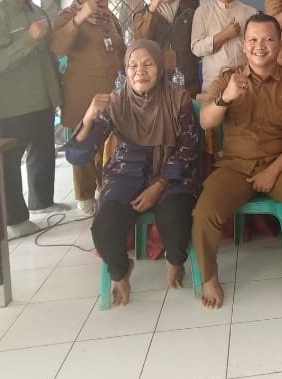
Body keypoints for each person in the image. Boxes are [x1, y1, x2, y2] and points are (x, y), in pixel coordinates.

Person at [193, 14, 282, 310]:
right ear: (243, 43)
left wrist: (273, 171)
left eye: (267, 39)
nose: (259, 46)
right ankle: (209, 276)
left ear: (280, 44)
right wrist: (226, 97)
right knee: (205, 210)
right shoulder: (227, 79)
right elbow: (206, 121)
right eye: (252, 39)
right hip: (235, 165)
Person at [65, 40, 200, 307]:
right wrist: (90, 116)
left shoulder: (178, 98)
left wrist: (159, 186)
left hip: (171, 174)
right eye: (133, 65)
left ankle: (175, 261)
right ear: (125, 71)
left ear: (159, 66)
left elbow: (188, 148)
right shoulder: (116, 103)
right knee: (104, 227)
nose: (140, 71)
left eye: (148, 64)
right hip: (126, 174)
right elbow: (78, 155)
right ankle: (120, 272)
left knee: (176, 219)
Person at [0, 0, 66, 238]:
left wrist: (56, 97)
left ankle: (42, 201)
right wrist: (29, 38)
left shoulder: (38, 12)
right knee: (10, 162)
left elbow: (49, 60)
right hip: (13, 104)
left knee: (43, 152)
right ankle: (15, 219)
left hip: (41, 99)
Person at [51, 0, 126, 216]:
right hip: (82, 91)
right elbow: (58, 47)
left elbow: (120, 49)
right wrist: (80, 17)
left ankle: (106, 187)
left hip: (111, 90)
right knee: (83, 141)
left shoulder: (109, 17)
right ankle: (84, 195)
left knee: (108, 143)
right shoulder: (67, 15)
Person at [190, 0, 257, 90]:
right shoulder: (202, 12)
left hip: (245, 80)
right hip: (213, 82)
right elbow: (196, 49)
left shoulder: (251, 12)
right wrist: (224, 35)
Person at [131, 0, 199, 94]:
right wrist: (153, 8)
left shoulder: (189, 14)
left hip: (187, 83)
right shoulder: (141, 15)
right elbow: (142, 40)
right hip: (156, 83)